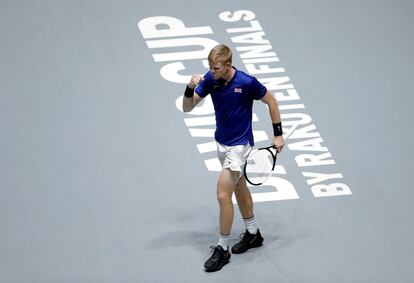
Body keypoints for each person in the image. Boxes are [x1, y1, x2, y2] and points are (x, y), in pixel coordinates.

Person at [182, 44, 285, 272]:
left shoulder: (247, 82)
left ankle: (222, 248)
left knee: (222, 194)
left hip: (239, 146)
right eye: (210, 67)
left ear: (228, 65)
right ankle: (253, 234)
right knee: (240, 188)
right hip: (221, 143)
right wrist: (190, 88)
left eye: (216, 67)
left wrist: (278, 133)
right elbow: (187, 108)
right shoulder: (211, 79)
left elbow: (272, 102)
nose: (212, 71)